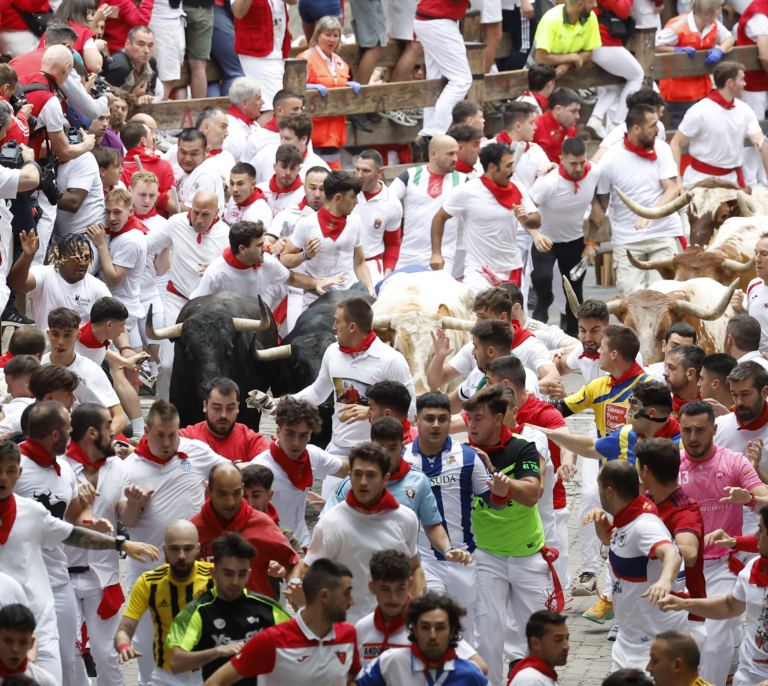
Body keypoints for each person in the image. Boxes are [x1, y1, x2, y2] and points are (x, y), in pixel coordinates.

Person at [0, 436, 157, 685]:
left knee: (57, 674)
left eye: (10, 471)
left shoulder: (32, 511)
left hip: (38, 617)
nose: (3, 479)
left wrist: (121, 543)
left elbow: (71, 534)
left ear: (18, 472)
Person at [465, 385, 556, 685]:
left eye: (478, 418)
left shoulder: (522, 447)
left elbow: (533, 493)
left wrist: (500, 481)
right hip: (485, 555)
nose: (472, 425)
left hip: (528, 555)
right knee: (487, 636)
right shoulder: (463, 454)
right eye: (469, 419)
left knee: (541, 635)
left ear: (498, 418)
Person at [674, 400, 768, 685]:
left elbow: (766, 500)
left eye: (700, 430)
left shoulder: (734, 462)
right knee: (678, 644)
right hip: (677, 568)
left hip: (721, 568)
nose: (693, 438)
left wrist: (749, 498)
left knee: (714, 642)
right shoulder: (670, 463)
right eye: (687, 430)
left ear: (714, 429)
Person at [63, 402, 152, 686]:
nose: (114, 432)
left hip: (104, 578)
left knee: (108, 655)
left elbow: (127, 517)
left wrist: (136, 503)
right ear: (92, 433)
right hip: (60, 577)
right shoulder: (59, 468)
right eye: (108, 427)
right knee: (67, 652)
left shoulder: (117, 466)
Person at [292, 298, 416, 491]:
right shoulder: (332, 352)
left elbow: (411, 412)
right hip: (338, 449)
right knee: (329, 513)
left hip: (377, 452)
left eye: (337, 322)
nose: (333, 327)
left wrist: (369, 413)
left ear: (352, 327)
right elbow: (317, 392)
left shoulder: (391, 360)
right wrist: (283, 403)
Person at [583, 460, 685, 671]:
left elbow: (671, 553)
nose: (597, 491)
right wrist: (601, 521)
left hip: (655, 646)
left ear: (609, 492)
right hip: (628, 640)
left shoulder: (643, 525)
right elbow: (615, 541)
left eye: (598, 486)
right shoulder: (627, 519)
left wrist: (665, 581)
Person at [305, 443, 423, 624]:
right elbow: (310, 575)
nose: (363, 482)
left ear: (386, 479)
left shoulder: (406, 519)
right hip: (345, 632)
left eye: (371, 475)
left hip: (395, 629)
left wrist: (418, 610)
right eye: (357, 474)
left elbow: (414, 568)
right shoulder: (330, 523)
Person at [200, 559, 360, 686]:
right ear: (324, 596)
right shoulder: (269, 640)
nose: (352, 601)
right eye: (346, 594)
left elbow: (350, 678)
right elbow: (214, 682)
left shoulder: (348, 634)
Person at [485, 355, 573, 583]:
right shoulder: (484, 420)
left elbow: (566, 439)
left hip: (542, 528)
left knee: (548, 606)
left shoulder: (538, 426)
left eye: (487, 382)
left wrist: (568, 460)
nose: (484, 388)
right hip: (503, 538)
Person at [659, 505, 768, 686]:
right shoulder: (753, 568)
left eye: (761, 530)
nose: (756, 536)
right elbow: (729, 606)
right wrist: (685, 604)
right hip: (747, 676)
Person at [167, 531, 292, 680]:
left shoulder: (268, 608)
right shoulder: (196, 611)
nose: (235, 582)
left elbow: (300, 642)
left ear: (249, 574)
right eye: (228, 574)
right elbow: (176, 663)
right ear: (214, 572)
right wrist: (218, 651)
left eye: (242, 574)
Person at [145, 191, 229, 400]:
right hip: (178, 300)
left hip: (210, 307)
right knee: (167, 364)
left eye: (205, 215)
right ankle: (161, 409)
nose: (199, 220)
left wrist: (219, 266)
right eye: (195, 213)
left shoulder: (227, 234)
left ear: (217, 213)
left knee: (210, 364)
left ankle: (210, 410)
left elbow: (239, 266)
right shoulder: (176, 223)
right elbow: (146, 243)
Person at [595, 105, 683, 297]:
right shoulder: (609, 159)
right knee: (633, 300)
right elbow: (600, 201)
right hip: (628, 241)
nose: (658, 129)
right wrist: (591, 241)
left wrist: (652, 212)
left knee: (662, 297)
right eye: (652, 125)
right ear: (636, 129)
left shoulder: (663, 149)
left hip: (662, 234)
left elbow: (673, 189)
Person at [432, 141, 540, 294]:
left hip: (511, 268)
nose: (513, 170)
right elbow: (439, 217)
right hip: (478, 271)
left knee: (510, 317)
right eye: (508, 166)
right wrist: (436, 253)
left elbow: (536, 219)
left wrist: (525, 219)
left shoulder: (518, 188)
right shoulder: (467, 191)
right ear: (491, 167)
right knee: (478, 315)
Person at [115, 520, 212, 686]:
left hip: (209, 672)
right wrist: (124, 646)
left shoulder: (214, 576)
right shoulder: (148, 582)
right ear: (165, 550)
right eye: (175, 549)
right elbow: (125, 629)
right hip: (167, 675)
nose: (181, 555)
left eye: (187, 548)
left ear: (198, 549)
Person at [355, 550, 486, 673]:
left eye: (400, 588)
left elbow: (480, 667)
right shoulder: (361, 628)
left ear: (410, 584)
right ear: (372, 588)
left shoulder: (427, 624)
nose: (393, 598)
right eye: (385, 589)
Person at [189, 462, 301, 598]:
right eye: (222, 494)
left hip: (257, 615)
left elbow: (295, 563)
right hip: (203, 615)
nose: (230, 502)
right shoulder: (192, 530)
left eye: (236, 493)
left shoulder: (262, 524)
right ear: (208, 491)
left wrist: (294, 586)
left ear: (242, 488)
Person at [635, 439, 706, 647]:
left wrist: (653, 548)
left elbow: (690, 554)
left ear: (645, 470)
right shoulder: (647, 500)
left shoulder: (684, 510)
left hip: (685, 620)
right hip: (654, 614)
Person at [253, 396, 348, 548]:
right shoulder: (260, 468)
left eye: (303, 435)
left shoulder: (313, 455)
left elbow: (350, 470)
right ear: (278, 431)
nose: (296, 443)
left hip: (302, 546)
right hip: (268, 550)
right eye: (290, 433)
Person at [529, 136, 600, 336]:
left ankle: (573, 336)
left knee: (574, 290)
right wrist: (535, 235)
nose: (578, 168)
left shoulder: (594, 172)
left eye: (582, 162)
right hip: (546, 239)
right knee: (542, 279)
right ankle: (539, 323)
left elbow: (599, 202)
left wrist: (591, 243)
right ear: (561, 160)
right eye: (573, 163)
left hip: (574, 240)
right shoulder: (549, 182)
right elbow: (525, 211)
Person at [191, 219, 341, 304]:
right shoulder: (214, 273)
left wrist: (316, 282)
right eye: (259, 245)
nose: (266, 248)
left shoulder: (267, 262)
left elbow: (292, 278)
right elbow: (197, 308)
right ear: (243, 249)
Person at [283, 171, 375, 307]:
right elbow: (284, 259)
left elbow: (360, 262)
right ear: (338, 198)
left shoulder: (355, 221)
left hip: (349, 296)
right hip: (316, 297)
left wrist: (370, 288)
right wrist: (305, 255)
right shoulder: (307, 223)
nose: (356, 202)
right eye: (353, 197)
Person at [356, 591, 488, 686]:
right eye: (425, 627)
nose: (432, 636)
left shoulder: (471, 676)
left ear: (452, 631)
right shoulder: (391, 662)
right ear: (415, 630)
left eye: (440, 628)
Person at [671, 62, 767, 188]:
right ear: (730, 83)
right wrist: (676, 180)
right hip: (700, 181)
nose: (745, 84)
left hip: (732, 181)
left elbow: (761, 143)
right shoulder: (699, 111)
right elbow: (676, 143)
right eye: (742, 79)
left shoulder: (745, 110)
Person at [41, 308, 127, 433]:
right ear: (48, 335)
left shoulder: (91, 371)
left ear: (77, 336)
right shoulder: (37, 367)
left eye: (67, 335)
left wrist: (101, 443)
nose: (60, 342)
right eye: (55, 334)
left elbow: (119, 417)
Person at [391, 135, 463, 273]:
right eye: (450, 154)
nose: (455, 159)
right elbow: (386, 203)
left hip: (443, 255)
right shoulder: (409, 176)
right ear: (433, 154)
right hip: (408, 254)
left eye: (456, 153)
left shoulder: (463, 180)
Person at [657, 0, 734, 128]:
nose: (720, 12)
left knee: (703, 127)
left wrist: (720, 50)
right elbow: (655, 46)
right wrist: (676, 50)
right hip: (679, 91)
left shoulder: (713, 24)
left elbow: (729, 39)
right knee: (684, 129)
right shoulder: (678, 26)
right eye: (717, 8)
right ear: (706, 10)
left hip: (702, 88)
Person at [89, 188, 148, 349]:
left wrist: (101, 244)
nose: (111, 218)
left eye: (117, 212)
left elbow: (113, 279)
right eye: (107, 212)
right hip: (124, 307)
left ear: (131, 211)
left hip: (120, 311)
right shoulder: (124, 234)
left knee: (121, 366)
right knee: (134, 365)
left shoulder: (130, 240)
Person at [297, 17, 360, 167]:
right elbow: (293, 92)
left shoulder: (340, 62)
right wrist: (309, 88)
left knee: (333, 179)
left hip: (335, 133)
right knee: (312, 177)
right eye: (328, 35)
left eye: (336, 35)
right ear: (318, 34)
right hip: (313, 134)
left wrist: (347, 86)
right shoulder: (305, 60)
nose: (332, 39)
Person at [412, 0, 472, 141]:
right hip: (437, 20)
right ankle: (434, 132)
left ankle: (429, 132)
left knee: (436, 81)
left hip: (433, 18)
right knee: (461, 80)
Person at [178, 378, 268, 463]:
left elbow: (270, 467)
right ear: (205, 406)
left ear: (237, 407)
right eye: (217, 408)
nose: (223, 415)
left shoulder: (252, 441)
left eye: (230, 409)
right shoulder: (186, 437)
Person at [231, 0, 290, 117]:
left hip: (277, 51)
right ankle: (260, 135)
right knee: (273, 109)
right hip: (257, 53)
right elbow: (238, 12)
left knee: (273, 108)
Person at [352, 150, 403, 284]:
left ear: (380, 172)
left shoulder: (392, 203)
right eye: (357, 169)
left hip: (371, 266)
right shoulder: (346, 192)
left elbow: (393, 243)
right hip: (342, 263)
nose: (359, 175)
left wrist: (388, 272)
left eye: (366, 171)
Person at [714, 362, 768, 486]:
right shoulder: (717, 426)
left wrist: (756, 470)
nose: (739, 402)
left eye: (745, 394)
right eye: (734, 394)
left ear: (764, 392)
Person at [592, 89, 668, 163]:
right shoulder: (620, 131)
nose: (661, 114)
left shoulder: (659, 128)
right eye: (657, 109)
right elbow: (596, 159)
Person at [254, 113, 330, 185]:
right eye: (281, 137)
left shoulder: (320, 169)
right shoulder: (262, 157)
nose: (282, 142)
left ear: (303, 139)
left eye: (287, 138)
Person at [533, 0, 600, 79]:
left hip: (566, 76)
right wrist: (571, 57)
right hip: (538, 75)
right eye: (591, 2)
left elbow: (588, 53)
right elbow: (540, 59)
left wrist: (568, 64)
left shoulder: (591, 17)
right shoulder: (551, 20)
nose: (595, 5)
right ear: (580, 4)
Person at [120, 121, 176, 213]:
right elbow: (172, 205)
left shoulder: (118, 168)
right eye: (150, 135)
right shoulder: (163, 165)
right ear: (143, 141)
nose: (154, 137)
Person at [167, 129, 225, 214]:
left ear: (206, 151)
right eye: (183, 152)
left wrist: (159, 198)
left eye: (194, 154)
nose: (187, 159)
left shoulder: (205, 175)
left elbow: (192, 213)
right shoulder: (189, 167)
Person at [506, 611, 569, 686]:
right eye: (558, 640)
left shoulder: (541, 676)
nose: (566, 646)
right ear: (535, 643)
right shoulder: (531, 681)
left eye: (567, 638)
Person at [0, 604, 56, 686]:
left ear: (31, 643)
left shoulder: (44, 681)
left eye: (23, 642)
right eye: (8, 641)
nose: (15, 649)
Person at [243, 89, 304, 164]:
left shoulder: (303, 135)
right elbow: (245, 171)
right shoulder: (256, 139)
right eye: (295, 109)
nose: (300, 113)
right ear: (279, 111)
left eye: (301, 108)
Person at [101, 26, 160, 103]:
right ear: (128, 44)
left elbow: (151, 90)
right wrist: (132, 97)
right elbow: (102, 93)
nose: (146, 50)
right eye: (141, 44)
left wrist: (146, 98)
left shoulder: (151, 62)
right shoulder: (120, 66)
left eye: (150, 45)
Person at [532, 88, 582, 163]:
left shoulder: (571, 129)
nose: (578, 116)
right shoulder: (534, 126)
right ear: (558, 109)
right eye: (573, 111)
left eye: (578, 111)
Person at [255, 146, 306, 217]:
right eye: (284, 167)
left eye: (292, 168)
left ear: (299, 169)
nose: (288, 172)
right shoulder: (259, 190)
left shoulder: (304, 196)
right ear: (275, 166)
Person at [223, 77, 263, 161]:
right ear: (244, 103)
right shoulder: (226, 125)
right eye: (258, 99)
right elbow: (223, 162)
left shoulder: (256, 125)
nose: (263, 102)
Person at [663, 345, 705, 415]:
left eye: (671, 368)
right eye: (666, 366)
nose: (665, 373)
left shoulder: (712, 412)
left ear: (690, 374)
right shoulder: (661, 404)